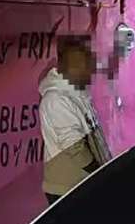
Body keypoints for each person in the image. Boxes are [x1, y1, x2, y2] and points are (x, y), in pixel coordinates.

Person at [39, 35, 111, 205]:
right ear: (67, 66)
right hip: (67, 189)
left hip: (81, 184)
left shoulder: (78, 94)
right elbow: (75, 148)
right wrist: (103, 175)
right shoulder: (55, 99)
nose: (90, 70)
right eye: (84, 64)